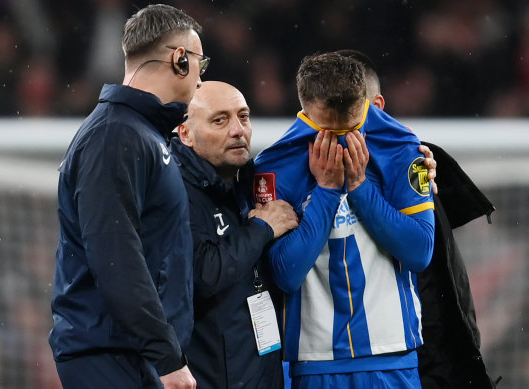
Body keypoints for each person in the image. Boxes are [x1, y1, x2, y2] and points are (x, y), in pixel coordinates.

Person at [49, 5, 208, 388]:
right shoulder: (116, 136)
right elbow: (116, 256)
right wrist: (166, 357)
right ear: (179, 59)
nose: (202, 80)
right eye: (201, 64)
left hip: (131, 354)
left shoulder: (143, 134)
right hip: (113, 356)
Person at [254, 52, 435, 388]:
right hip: (314, 362)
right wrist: (325, 191)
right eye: (326, 130)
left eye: (352, 128)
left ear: (367, 106)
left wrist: (361, 188)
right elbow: (286, 274)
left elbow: (420, 252)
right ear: (305, 109)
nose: (340, 142)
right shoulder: (273, 166)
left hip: (392, 357)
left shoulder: (402, 149)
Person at [338, 49, 498, 388]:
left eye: (347, 107)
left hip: (415, 361)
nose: (333, 122)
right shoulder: (295, 178)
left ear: (376, 107)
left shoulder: (417, 166)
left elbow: (433, 278)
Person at [168, 80, 299, 388]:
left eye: (244, 116)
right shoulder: (173, 190)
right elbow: (203, 274)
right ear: (184, 133)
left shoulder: (248, 183)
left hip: (259, 372)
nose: (238, 130)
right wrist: (262, 228)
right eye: (220, 120)